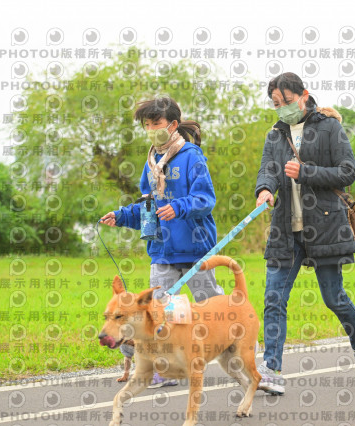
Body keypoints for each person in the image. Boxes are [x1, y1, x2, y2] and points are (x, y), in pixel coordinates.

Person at [254, 72, 355, 395]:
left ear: (304, 95)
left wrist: (305, 172)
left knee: (334, 298)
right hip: (285, 228)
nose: (282, 108)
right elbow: (267, 169)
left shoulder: (329, 127)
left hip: (324, 225)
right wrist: (264, 189)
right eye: (276, 104)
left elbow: (347, 172)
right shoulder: (275, 135)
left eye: (287, 101)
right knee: (274, 298)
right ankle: (272, 369)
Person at [100, 97, 224, 387]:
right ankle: (165, 367)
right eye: (146, 124)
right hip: (162, 250)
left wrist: (179, 207)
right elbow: (148, 208)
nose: (151, 129)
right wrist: (122, 216)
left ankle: (241, 347)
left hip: (195, 248)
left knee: (211, 306)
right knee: (159, 311)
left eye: (156, 123)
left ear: (173, 124)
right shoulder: (151, 164)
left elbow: (205, 199)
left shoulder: (192, 157)